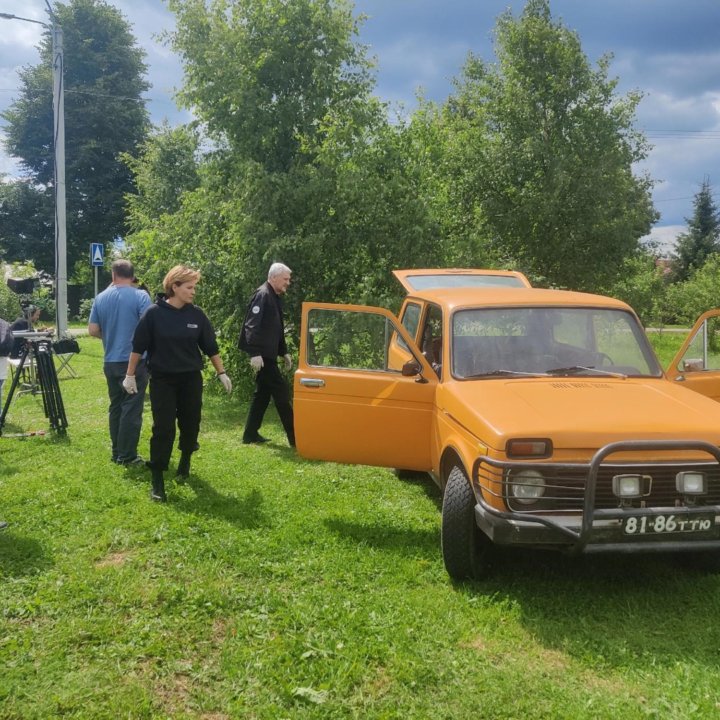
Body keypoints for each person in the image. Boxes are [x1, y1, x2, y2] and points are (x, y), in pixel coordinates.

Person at [124, 265, 232, 502]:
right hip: (163, 379)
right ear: (175, 287)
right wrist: (130, 375)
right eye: (189, 287)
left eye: (194, 287)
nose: (194, 292)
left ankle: (185, 460)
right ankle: (158, 480)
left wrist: (221, 372)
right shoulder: (153, 314)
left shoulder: (197, 315)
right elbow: (138, 347)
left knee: (190, 422)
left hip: (191, 378)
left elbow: (210, 347)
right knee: (163, 428)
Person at [88, 258, 152, 466]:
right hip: (135, 361)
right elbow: (150, 327)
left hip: (111, 360)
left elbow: (92, 330)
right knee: (132, 408)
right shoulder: (141, 296)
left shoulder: (100, 298)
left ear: (113, 275)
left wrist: (110, 336)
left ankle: (117, 452)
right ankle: (127, 456)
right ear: (133, 276)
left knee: (116, 406)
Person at [239, 262, 295, 446]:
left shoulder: (274, 296)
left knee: (262, 395)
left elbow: (276, 329)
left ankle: (250, 434)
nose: (288, 282)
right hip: (262, 356)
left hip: (269, 355)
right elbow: (251, 325)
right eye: (286, 279)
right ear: (274, 277)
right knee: (282, 394)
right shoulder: (263, 295)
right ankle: (295, 437)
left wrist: (283, 352)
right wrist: (254, 353)